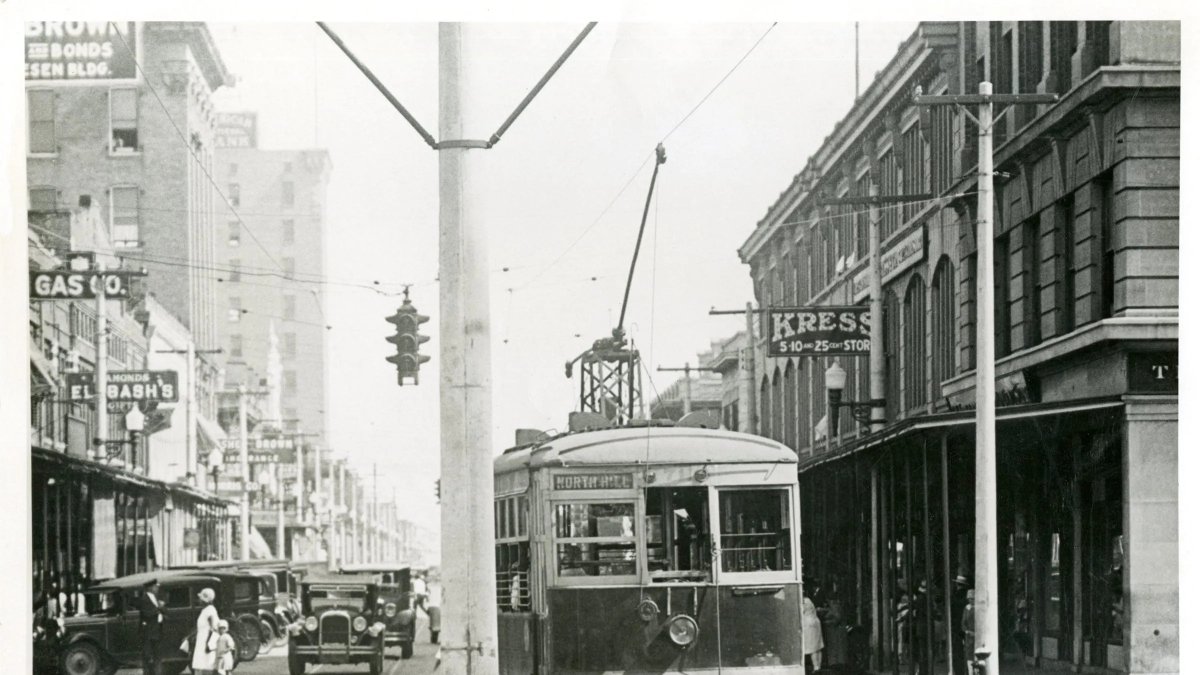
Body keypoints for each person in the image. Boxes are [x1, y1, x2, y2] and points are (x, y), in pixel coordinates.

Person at [136, 580, 165, 675]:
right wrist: (159, 608)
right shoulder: (144, 599)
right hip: (148, 632)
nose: (157, 588)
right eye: (156, 586)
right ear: (151, 587)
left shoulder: (154, 598)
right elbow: (147, 613)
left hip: (156, 631)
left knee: (157, 656)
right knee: (148, 656)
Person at [191, 587, 219, 675]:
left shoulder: (210, 610)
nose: (199, 600)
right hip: (201, 641)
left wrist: (209, 643)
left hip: (206, 642)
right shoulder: (205, 610)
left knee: (206, 665)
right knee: (200, 665)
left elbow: (213, 627)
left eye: (200, 599)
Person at [950, 576, 970, 675]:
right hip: (966, 626)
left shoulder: (954, 597)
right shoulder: (967, 597)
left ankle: (959, 671)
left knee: (957, 651)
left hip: (956, 626)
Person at [802, 591, 824, 672]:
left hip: (809, 624)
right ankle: (818, 666)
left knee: (813, 647)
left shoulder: (803, 602)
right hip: (815, 622)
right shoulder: (809, 600)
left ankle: (816, 667)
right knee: (817, 646)